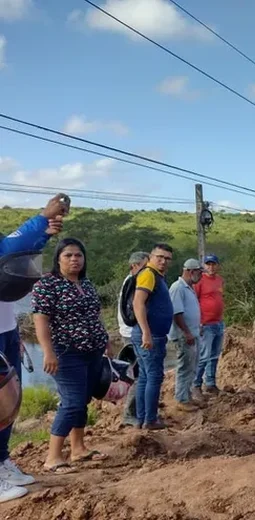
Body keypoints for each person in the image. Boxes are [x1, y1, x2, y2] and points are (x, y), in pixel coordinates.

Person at [0, 194, 66, 503]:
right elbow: (8, 250)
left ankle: (2, 463)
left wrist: (42, 235)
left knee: (8, 403)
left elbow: (16, 258)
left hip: (6, 329)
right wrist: (42, 218)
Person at [31, 238, 110, 475]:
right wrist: (48, 352)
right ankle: (53, 457)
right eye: (68, 255)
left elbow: (95, 314)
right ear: (58, 259)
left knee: (83, 400)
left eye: (78, 255)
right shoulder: (48, 285)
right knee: (72, 402)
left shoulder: (86, 284)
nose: (74, 259)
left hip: (93, 350)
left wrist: (106, 341)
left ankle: (78, 449)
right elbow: (40, 320)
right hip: (66, 352)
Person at [132, 243, 174, 430]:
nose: (163, 261)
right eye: (160, 257)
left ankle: (142, 418)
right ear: (151, 256)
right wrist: (146, 333)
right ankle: (150, 419)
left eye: (167, 258)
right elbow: (138, 303)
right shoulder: (148, 274)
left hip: (150, 335)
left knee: (144, 377)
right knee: (154, 377)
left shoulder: (157, 276)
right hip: (150, 336)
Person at [117, 252, 149, 428]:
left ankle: (138, 410)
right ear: (134, 266)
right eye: (144, 266)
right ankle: (130, 414)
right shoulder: (132, 283)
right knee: (138, 375)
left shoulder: (133, 281)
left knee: (139, 373)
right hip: (132, 334)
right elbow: (132, 311)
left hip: (133, 332)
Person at [169, 259, 203, 412]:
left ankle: (187, 396)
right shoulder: (178, 288)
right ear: (191, 271)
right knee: (185, 367)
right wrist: (187, 332)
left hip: (192, 333)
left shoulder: (189, 288)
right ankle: (181, 399)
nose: (201, 275)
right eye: (199, 272)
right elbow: (177, 313)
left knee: (192, 367)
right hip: (184, 336)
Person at [193, 254, 225, 398]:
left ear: (217, 265)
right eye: (208, 264)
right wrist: (198, 322)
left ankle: (211, 384)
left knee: (214, 356)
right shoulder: (200, 281)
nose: (211, 267)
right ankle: (196, 385)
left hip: (218, 322)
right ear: (204, 266)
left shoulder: (219, 280)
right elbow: (194, 301)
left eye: (213, 264)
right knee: (204, 356)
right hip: (205, 324)